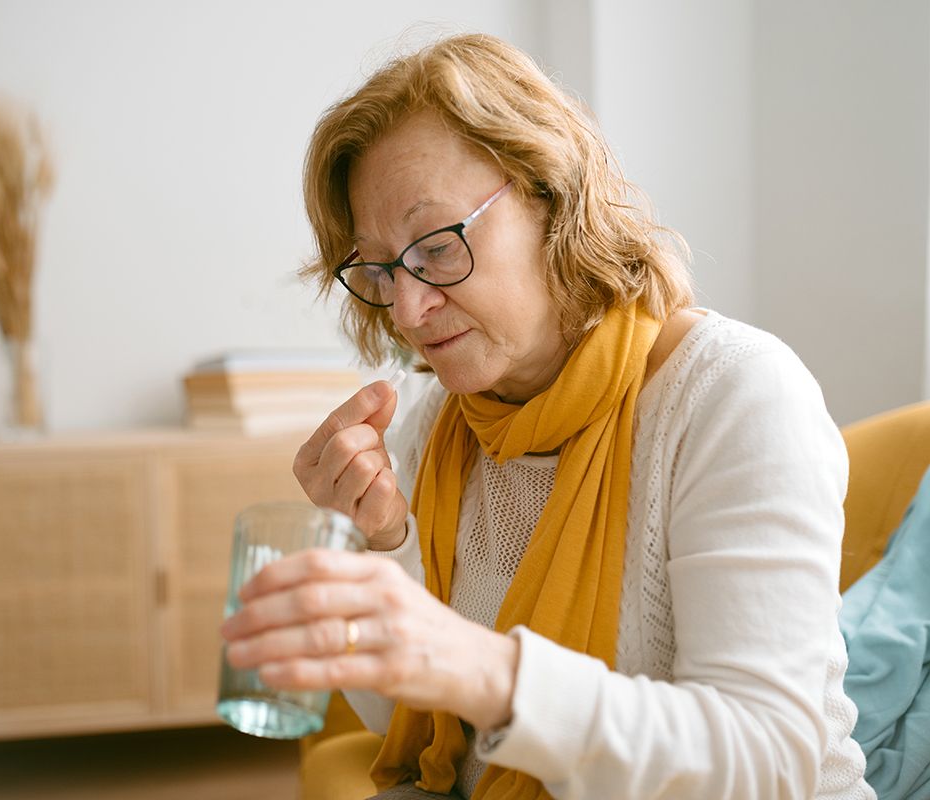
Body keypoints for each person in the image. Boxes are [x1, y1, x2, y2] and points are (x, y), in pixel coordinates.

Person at [219, 33, 876, 800]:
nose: (408, 306)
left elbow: (766, 762)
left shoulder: (734, 398)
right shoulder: (436, 424)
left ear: (550, 197)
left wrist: (484, 667)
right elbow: (423, 728)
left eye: (435, 245)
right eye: (382, 268)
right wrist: (384, 544)